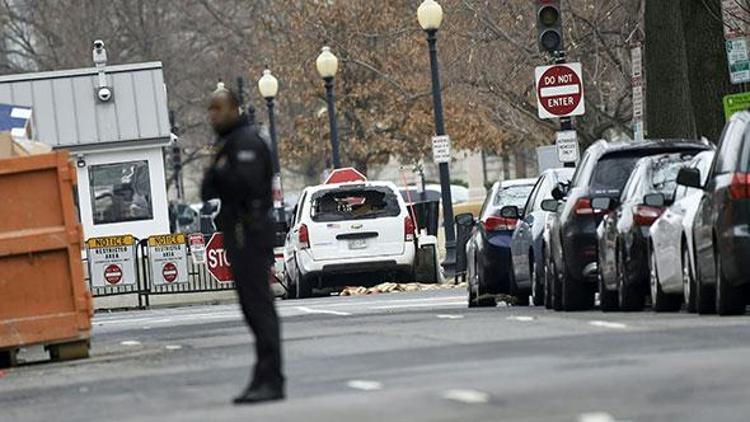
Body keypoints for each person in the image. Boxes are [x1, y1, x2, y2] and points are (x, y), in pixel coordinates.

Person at [202, 83, 285, 405]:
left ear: (234, 109)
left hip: (250, 232)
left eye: (218, 108)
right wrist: (219, 174)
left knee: (259, 307)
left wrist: (221, 175)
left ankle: (272, 378)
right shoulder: (227, 144)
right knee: (250, 308)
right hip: (237, 233)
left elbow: (246, 185)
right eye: (210, 108)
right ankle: (263, 375)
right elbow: (207, 190)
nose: (213, 115)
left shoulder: (246, 142)